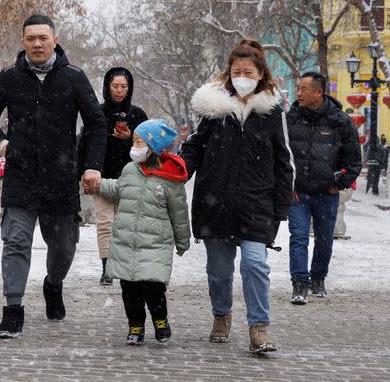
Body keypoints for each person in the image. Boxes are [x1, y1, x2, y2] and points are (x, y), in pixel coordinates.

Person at [0, 14, 106, 339]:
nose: (37, 43)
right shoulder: (9, 78)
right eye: (31, 38)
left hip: (61, 179)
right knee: (16, 242)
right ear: (23, 42)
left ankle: (53, 284)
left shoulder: (74, 78)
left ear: (54, 40)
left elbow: (97, 123)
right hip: (20, 177)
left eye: (43, 38)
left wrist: (91, 165)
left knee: (63, 247)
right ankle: (13, 310)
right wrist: (2, 143)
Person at [180, 40, 294, 354]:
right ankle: (221, 315)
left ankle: (259, 327)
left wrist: (280, 207)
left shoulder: (271, 111)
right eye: (236, 70)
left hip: (257, 205)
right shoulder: (213, 109)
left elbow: (284, 162)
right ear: (229, 74)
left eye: (248, 71)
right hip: (215, 203)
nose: (242, 75)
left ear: (260, 75)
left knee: (255, 265)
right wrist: (178, 170)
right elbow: (193, 149)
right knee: (218, 271)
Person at [92, 119, 189, 346]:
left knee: (154, 288)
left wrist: (182, 241)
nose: (134, 146)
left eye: (139, 141)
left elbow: (179, 213)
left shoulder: (170, 179)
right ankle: (135, 326)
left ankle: (160, 321)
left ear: (153, 147)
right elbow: (117, 189)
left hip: (156, 244)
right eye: (134, 141)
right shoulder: (129, 170)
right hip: (126, 242)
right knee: (129, 290)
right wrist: (97, 184)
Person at [286, 71, 361, 304]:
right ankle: (299, 284)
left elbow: (354, 162)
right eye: (298, 88)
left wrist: (338, 184)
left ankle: (318, 278)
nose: (298, 93)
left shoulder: (340, 122)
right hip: (298, 192)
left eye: (304, 89)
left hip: (326, 194)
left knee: (324, 239)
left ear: (318, 92)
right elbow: (279, 155)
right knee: (298, 237)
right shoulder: (290, 120)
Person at [78, 67, 148, 286]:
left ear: (130, 88)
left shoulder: (138, 115)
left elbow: (149, 149)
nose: (119, 90)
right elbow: (85, 145)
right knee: (105, 223)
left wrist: (130, 138)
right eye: (115, 86)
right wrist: (82, 173)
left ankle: (126, 266)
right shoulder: (96, 113)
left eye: (124, 86)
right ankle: (107, 268)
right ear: (107, 87)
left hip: (132, 179)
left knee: (127, 225)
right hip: (102, 176)